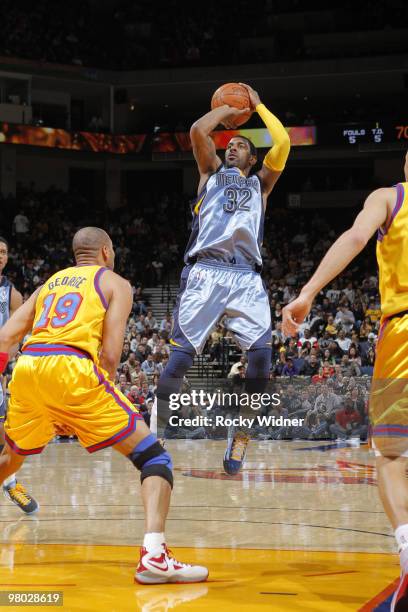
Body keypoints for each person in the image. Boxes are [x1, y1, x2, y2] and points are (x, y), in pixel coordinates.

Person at [0, 227, 208, 585]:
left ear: (76, 253)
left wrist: (52, 405)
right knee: (154, 458)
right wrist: (80, 406)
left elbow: (6, 336)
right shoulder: (115, 283)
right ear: (107, 253)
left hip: (29, 367)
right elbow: (111, 353)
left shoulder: (48, 284)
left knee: (10, 459)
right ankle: (155, 556)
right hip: (73, 369)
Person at [282, 154, 408, 610]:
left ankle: (407, 546)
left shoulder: (390, 197)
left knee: (391, 453)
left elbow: (355, 237)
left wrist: (308, 292)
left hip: (403, 331)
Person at [150, 83, 290, 474]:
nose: (232, 146)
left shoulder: (261, 184)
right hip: (205, 271)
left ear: (253, 156)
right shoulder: (210, 172)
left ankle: (241, 435)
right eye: (229, 143)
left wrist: (257, 107)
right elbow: (197, 132)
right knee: (179, 358)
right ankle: (157, 434)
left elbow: (284, 143)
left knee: (262, 358)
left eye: (241, 145)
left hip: (246, 276)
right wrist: (225, 112)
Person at [0, 236, 38, 514]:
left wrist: (4, 358)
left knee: (4, 429)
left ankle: (9, 481)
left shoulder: (11, 293)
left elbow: (19, 329)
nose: (0, 255)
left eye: (3, 251)